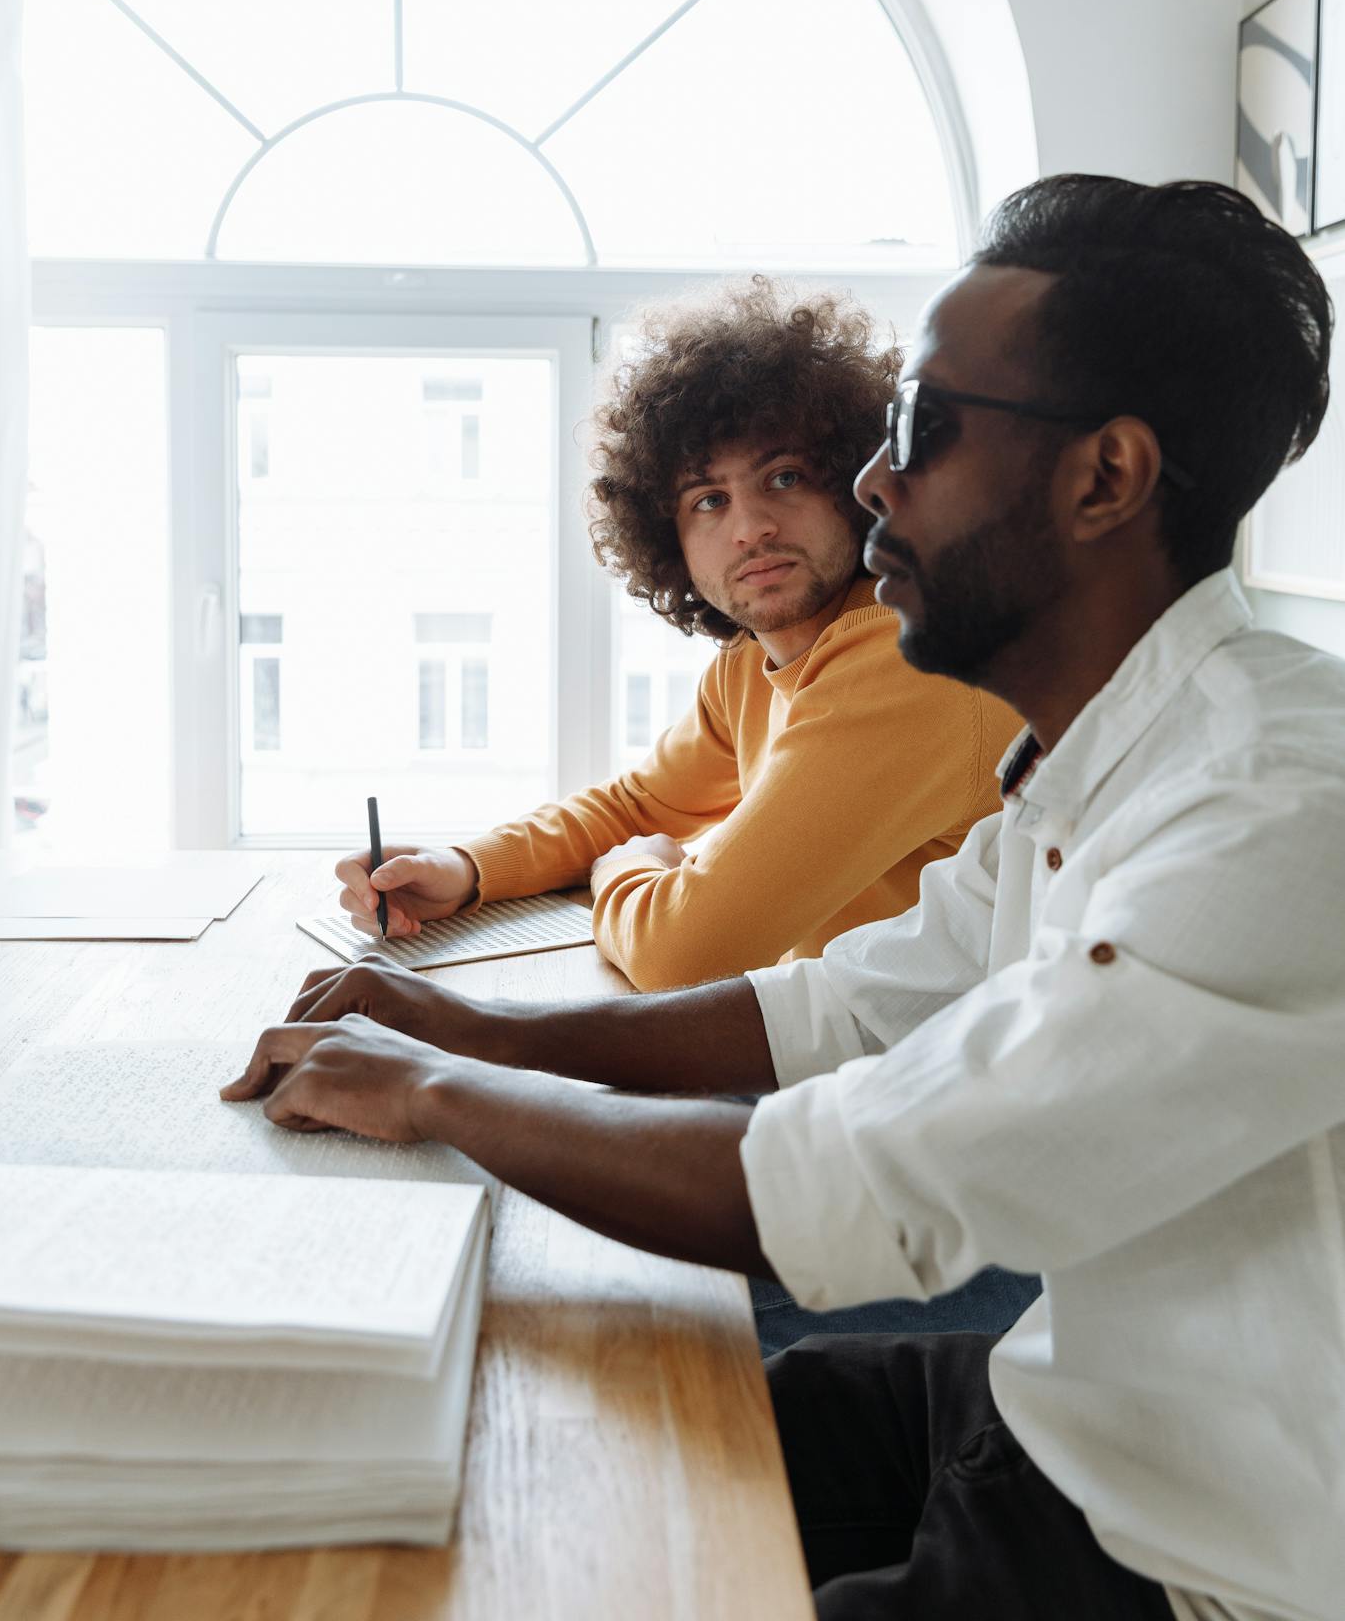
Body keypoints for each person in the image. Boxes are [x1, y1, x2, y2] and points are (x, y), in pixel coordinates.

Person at [226, 174, 1343, 1619]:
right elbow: (835, 1009)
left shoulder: (1275, 810)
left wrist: (437, 1092)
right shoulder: (1083, 757)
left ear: (1104, 480)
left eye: (921, 433)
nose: (873, 484)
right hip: (1058, 1405)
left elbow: (862, 1178)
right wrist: (472, 1029)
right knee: (539, 1454)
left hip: (1192, 1556)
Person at [336, 277, 1020, 993]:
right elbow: (640, 806)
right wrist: (465, 868)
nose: (750, 527)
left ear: (857, 484)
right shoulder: (750, 661)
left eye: (784, 478)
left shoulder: (904, 659)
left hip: (927, 1076)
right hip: (833, 1047)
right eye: (709, 500)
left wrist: (623, 869)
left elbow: (680, 954)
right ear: (667, 536)